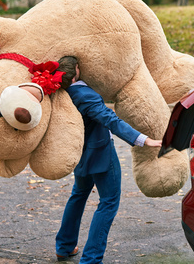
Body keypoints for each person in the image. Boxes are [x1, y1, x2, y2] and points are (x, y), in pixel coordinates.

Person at [54, 56, 162, 263]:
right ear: (76, 70)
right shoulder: (84, 94)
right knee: (109, 202)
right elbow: (110, 119)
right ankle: (91, 258)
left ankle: (64, 247)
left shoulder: (62, 93)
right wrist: (143, 139)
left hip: (79, 153)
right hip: (100, 154)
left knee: (78, 195)